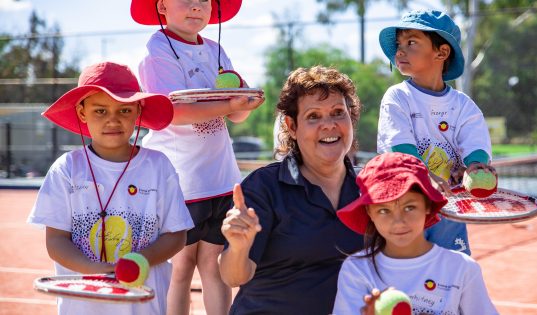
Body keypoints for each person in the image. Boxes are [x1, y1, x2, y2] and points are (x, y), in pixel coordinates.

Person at [27, 61, 194, 315]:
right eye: (100, 111)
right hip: (82, 307)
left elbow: (176, 235)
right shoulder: (66, 169)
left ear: (138, 110)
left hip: (143, 307)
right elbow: (56, 241)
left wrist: (138, 262)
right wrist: (99, 271)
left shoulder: (159, 167)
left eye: (124, 111)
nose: (113, 120)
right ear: (82, 112)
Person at [130, 0, 265, 314]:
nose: (196, 6)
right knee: (181, 268)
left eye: (204, 0)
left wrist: (244, 102)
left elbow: (238, 117)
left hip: (220, 180)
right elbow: (174, 113)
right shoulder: (157, 50)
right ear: (161, 5)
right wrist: (232, 102)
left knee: (214, 266)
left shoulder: (216, 49)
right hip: (181, 183)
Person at [218, 66, 364, 314]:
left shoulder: (369, 186)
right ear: (292, 126)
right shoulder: (264, 187)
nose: (328, 125)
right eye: (313, 116)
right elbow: (233, 277)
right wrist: (239, 246)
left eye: (338, 113)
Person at [376, 10, 496, 255]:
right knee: (406, 280)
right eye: (399, 44)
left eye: (411, 42)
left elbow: (475, 144)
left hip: (449, 210)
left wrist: (476, 166)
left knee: (453, 274)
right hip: (403, 208)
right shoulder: (397, 97)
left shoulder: (464, 106)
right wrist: (424, 176)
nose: (399, 51)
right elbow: (400, 149)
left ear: (441, 52)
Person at [332, 152, 499, 314]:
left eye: (409, 207)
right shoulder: (356, 271)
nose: (398, 221)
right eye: (384, 210)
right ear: (369, 212)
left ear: (427, 205)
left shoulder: (463, 268)